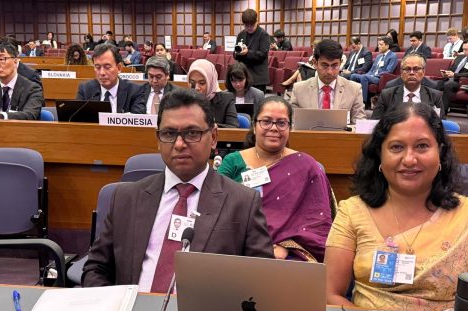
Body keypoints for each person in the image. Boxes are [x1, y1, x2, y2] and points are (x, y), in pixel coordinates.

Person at [324, 102, 468, 311]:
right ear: (379, 154)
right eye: (396, 147)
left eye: (422, 146)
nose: (409, 159)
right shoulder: (352, 212)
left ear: (440, 153)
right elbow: (330, 295)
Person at [82, 88, 274, 291]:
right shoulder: (126, 198)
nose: (180, 144)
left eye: (192, 133)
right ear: (158, 140)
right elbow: (96, 268)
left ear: (213, 137)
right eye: (169, 134)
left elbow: (262, 280)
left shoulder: (243, 203)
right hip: (131, 308)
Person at [218, 96, 333, 262]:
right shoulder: (233, 162)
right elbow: (216, 206)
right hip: (237, 245)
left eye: (281, 123)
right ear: (254, 126)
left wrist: (285, 246)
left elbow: (317, 222)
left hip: (290, 254)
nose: (273, 128)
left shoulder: (306, 166)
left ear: (290, 128)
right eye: (266, 121)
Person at [290, 39, 365, 124]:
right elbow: (293, 125)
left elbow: (360, 125)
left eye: (334, 65)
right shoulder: (299, 90)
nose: (329, 72)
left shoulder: (354, 89)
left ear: (340, 63)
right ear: (315, 63)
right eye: (324, 65)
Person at [0, 39, 43, 120]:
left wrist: (0, 116)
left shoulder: (33, 89)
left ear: (15, 61)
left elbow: (30, 115)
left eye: (2, 59)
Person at [76, 44, 146, 114]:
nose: (102, 73)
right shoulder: (85, 89)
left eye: (107, 67)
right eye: (97, 67)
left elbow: (138, 119)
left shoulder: (135, 91)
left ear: (119, 68)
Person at [372, 54, 444, 120]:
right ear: (401, 72)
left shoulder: (435, 96)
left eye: (416, 69)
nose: (411, 73)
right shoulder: (386, 95)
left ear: (423, 72)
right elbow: (375, 122)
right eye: (407, 69)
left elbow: (440, 124)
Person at [188, 59, 238, 128]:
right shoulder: (183, 100)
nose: (196, 88)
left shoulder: (226, 100)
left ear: (211, 82)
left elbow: (233, 128)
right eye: (192, 82)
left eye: (202, 83)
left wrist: (213, 126)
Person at [438, 39, 468, 113]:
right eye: (463, 49)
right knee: (437, 84)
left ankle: (443, 111)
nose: (464, 51)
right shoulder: (460, 57)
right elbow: (452, 69)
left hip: (464, 82)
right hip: (452, 79)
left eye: (466, 49)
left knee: (449, 84)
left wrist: (455, 75)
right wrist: (446, 73)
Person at [350, 37, 398, 103]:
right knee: (353, 76)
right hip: (372, 76)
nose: (378, 46)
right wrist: (367, 74)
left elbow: (389, 71)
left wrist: (373, 75)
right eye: (378, 45)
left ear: (387, 46)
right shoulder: (379, 56)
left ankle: (364, 102)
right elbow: (372, 69)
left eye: (381, 45)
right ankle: (353, 100)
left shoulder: (392, 56)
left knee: (364, 77)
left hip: (380, 78)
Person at [233, 8, 270, 93]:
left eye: (252, 25)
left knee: (257, 101)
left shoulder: (263, 35)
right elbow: (235, 52)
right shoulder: (241, 34)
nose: (249, 28)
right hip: (243, 76)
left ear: (257, 21)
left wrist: (247, 53)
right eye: (246, 25)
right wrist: (237, 53)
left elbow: (262, 54)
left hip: (258, 77)